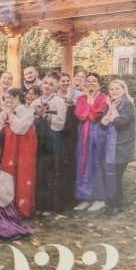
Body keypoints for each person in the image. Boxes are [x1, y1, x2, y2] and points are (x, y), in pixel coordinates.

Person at [0, 88, 37, 218]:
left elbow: (21, 128)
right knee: (7, 173)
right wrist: (4, 115)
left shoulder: (27, 112)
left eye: (8, 98)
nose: (6, 101)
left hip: (23, 148)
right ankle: (6, 208)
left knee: (23, 175)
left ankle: (21, 208)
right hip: (7, 146)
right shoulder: (6, 111)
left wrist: (10, 115)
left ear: (16, 98)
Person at [31, 71, 67, 215]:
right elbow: (29, 121)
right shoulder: (35, 102)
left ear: (56, 87)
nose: (47, 86)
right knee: (40, 169)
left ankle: (52, 205)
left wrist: (45, 115)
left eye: (51, 84)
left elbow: (62, 122)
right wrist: (36, 117)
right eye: (45, 83)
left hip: (53, 138)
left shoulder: (59, 102)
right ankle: (40, 204)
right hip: (38, 138)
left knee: (53, 169)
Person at [100, 80, 136, 216]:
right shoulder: (110, 104)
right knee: (108, 176)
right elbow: (102, 125)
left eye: (117, 89)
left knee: (116, 176)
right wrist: (110, 110)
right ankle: (110, 204)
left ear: (123, 90)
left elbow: (120, 124)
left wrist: (113, 110)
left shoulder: (128, 104)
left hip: (122, 147)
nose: (114, 91)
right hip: (110, 147)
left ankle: (117, 205)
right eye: (112, 89)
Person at [73, 73, 108, 211]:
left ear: (99, 84)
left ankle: (100, 199)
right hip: (84, 135)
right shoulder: (81, 98)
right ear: (85, 84)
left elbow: (94, 115)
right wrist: (89, 100)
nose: (91, 83)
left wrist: (91, 100)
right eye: (88, 81)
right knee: (83, 164)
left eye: (94, 81)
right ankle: (86, 198)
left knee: (96, 163)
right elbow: (80, 115)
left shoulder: (103, 97)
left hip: (97, 134)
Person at [58, 72, 81, 207]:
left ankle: (73, 197)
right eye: (63, 81)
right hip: (60, 131)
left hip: (72, 131)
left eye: (67, 80)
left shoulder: (76, 94)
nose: (65, 83)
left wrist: (72, 102)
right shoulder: (55, 96)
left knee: (72, 162)